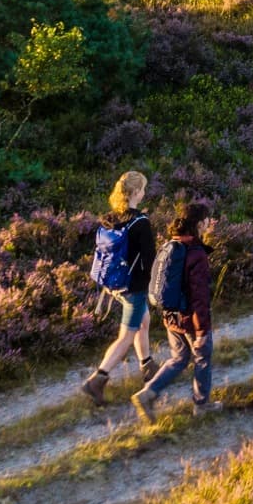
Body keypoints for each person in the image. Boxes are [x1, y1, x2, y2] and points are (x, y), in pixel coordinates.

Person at [80, 170, 156, 405]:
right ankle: (97, 380)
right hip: (134, 287)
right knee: (126, 336)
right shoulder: (141, 223)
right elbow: (149, 260)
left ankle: (148, 367)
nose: (144, 193)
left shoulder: (110, 218)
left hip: (114, 284)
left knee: (144, 322)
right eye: (142, 189)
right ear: (135, 193)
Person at [134, 201, 214, 422]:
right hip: (190, 318)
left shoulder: (172, 244)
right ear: (199, 223)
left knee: (178, 358)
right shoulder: (195, 253)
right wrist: (202, 331)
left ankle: (148, 393)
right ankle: (201, 406)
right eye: (207, 220)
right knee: (202, 357)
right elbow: (199, 297)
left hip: (171, 317)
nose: (210, 224)